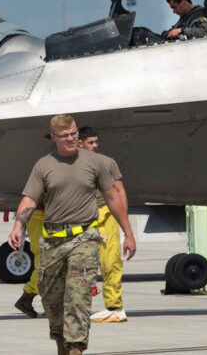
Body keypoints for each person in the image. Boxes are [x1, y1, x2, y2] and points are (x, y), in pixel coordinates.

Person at [8, 115, 136, 355]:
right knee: (52, 301)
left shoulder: (94, 162)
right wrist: (17, 226)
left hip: (84, 237)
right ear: (53, 138)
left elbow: (113, 196)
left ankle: (76, 349)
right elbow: (30, 198)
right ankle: (63, 347)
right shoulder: (43, 165)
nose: (70, 138)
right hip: (53, 240)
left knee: (78, 297)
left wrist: (127, 233)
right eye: (64, 135)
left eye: (74, 133)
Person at [78, 126, 128, 323]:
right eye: (90, 143)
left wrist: (125, 224)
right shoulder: (71, 163)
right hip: (80, 217)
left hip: (105, 215)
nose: (95, 146)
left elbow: (120, 191)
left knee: (110, 262)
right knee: (80, 264)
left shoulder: (107, 163)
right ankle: (79, 306)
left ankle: (114, 307)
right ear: (80, 143)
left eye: (96, 142)